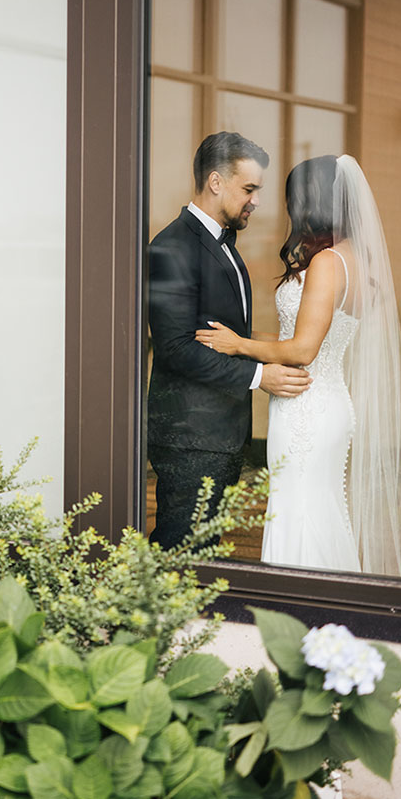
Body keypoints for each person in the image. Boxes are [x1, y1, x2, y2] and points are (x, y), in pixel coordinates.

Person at [198, 155, 401, 579]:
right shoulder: (357, 262)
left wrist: (238, 345)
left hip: (305, 404)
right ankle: (335, 609)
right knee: (318, 507)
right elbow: (310, 342)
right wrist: (250, 344)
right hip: (325, 399)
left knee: (298, 507)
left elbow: (304, 349)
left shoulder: (328, 263)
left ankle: (302, 611)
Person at [147, 132, 311, 550]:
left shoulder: (226, 244)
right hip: (190, 435)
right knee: (180, 552)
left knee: (203, 549)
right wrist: (260, 376)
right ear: (216, 182)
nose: (256, 200)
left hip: (220, 433)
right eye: (249, 188)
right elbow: (176, 348)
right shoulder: (172, 247)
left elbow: (228, 335)